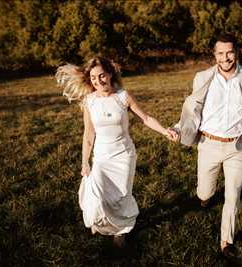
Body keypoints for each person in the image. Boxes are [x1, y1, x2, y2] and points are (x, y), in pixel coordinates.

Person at [170, 34, 242, 257]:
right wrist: (177, 129)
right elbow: (191, 111)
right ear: (214, 55)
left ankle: (227, 241)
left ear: (237, 52)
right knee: (205, 192)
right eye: (220, 53)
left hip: (238, 147)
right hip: (208, 144)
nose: (226, 58)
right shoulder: (202, 77)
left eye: (230, 52)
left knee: (233, 195)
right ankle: (204, 198)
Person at [56, 56, 177, 247]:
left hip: (124, 155)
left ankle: (120, 232)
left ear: (110, 74)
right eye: (94, 78)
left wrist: (165, 131)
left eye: (102, 76)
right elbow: (89, 134)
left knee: (121, 197)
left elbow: (145, 118)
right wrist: (84, 161)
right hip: (102, 157)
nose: (98, 81)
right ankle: (100, 222)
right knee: (96, 196)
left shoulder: (123, 97)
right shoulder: (89, 101)